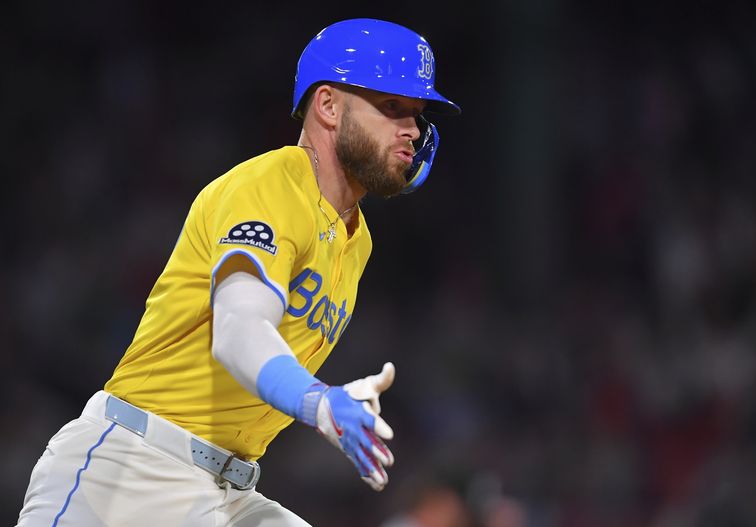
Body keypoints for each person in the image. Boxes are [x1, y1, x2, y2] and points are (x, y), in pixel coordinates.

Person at [16, 17, 460, 527]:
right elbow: (238, 329)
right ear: (329, 106)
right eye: (391, 107)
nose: (411, 129)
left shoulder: (356, 238)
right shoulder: (271, 186)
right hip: (129, 470)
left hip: (223, 490)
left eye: (417, 114)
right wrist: (318, 402)